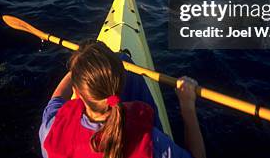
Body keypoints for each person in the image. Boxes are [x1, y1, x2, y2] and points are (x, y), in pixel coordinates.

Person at [39, 40, 207, 158]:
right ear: (120, 83)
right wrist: (187, 106)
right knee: (125, 59)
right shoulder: (151, 141)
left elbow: (57, 97)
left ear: (77, 91)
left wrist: (80, 68)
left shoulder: (51, 129)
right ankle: (124, 61)